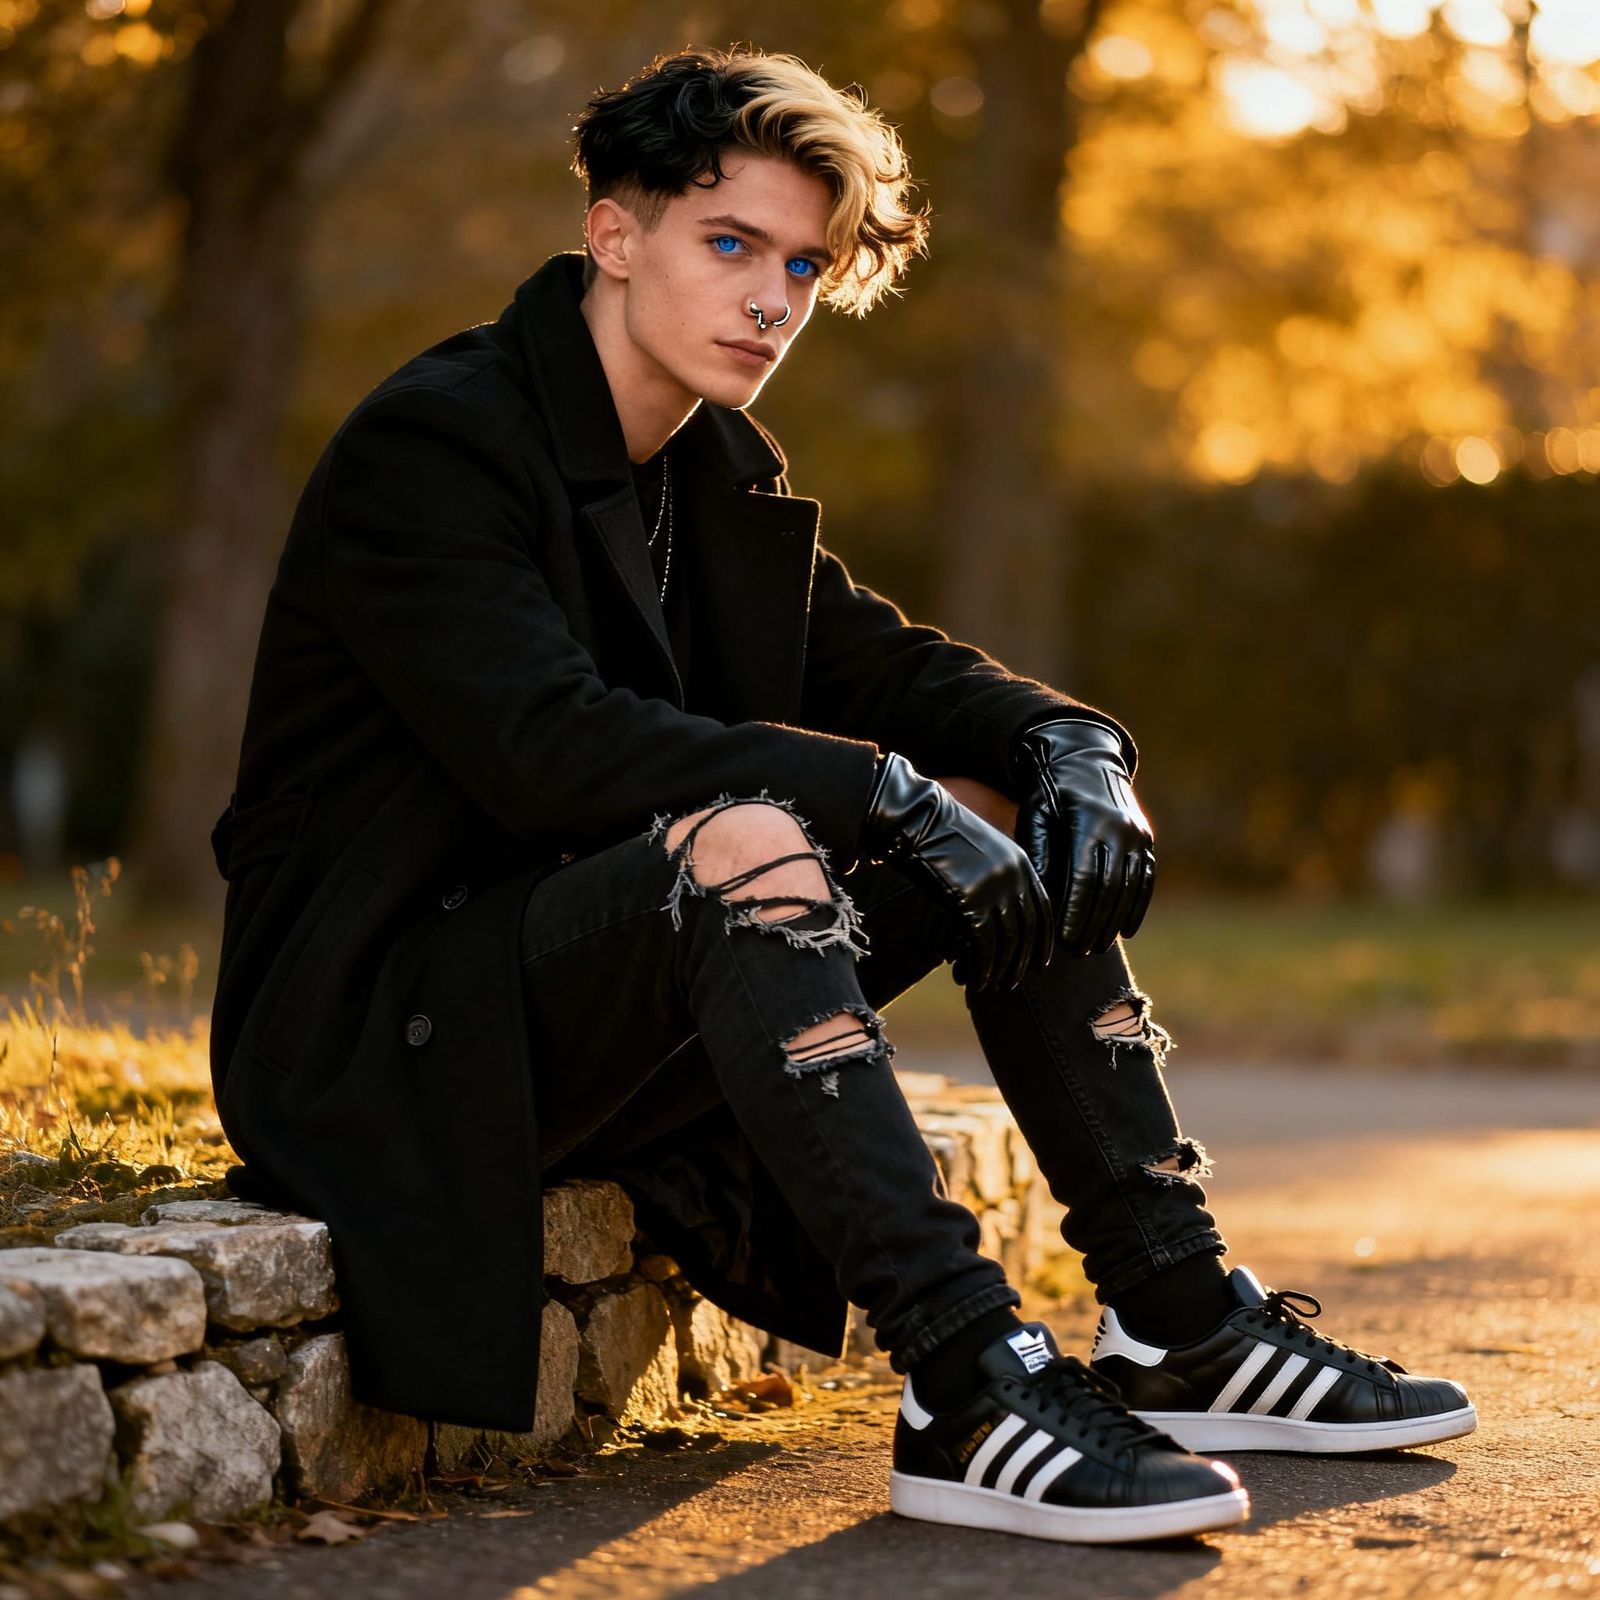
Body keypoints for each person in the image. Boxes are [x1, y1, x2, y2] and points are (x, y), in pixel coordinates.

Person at [209, 45, 1474, 1547]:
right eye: (730, 245)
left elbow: (897, 671)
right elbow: (548, 748)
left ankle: (1178, 1313)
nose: (773, 300)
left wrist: (1079, 750)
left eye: (803, 265)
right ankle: (966, 1378)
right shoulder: (438, 442)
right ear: (615, 235)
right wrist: (879, 794)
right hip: (388, 1026)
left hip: (588, 1006)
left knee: (1000, 802)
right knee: (754, 838)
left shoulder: (707, 471)